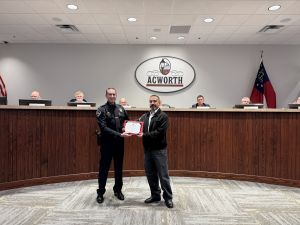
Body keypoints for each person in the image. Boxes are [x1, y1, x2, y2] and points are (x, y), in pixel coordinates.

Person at [137, 95, 173, 208]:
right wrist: (128, 128)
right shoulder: (145, 115)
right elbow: (137, 124)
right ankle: (155, 195)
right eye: (150, 101)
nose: (152, 103)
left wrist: (144, 135)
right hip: (147, 150)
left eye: (154, 101)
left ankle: (168, 198)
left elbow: (159, 132)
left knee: (163, 175)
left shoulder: (163, 116)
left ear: (159, 102)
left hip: (159, 150)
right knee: (151, 174)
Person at [95, 88, 131, 204]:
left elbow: (127, 122)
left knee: (119, 168)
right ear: (106, 95)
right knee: (104, 168)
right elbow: (104, 128)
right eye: (110, 94)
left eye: (114, 94)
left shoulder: (121, 108)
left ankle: (118, 190)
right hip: (107, 144)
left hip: (119, 144)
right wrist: (120, 134)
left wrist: (127, 128)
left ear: (116, 95)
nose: (112, 96)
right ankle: (100, 192)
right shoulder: (101, 110)